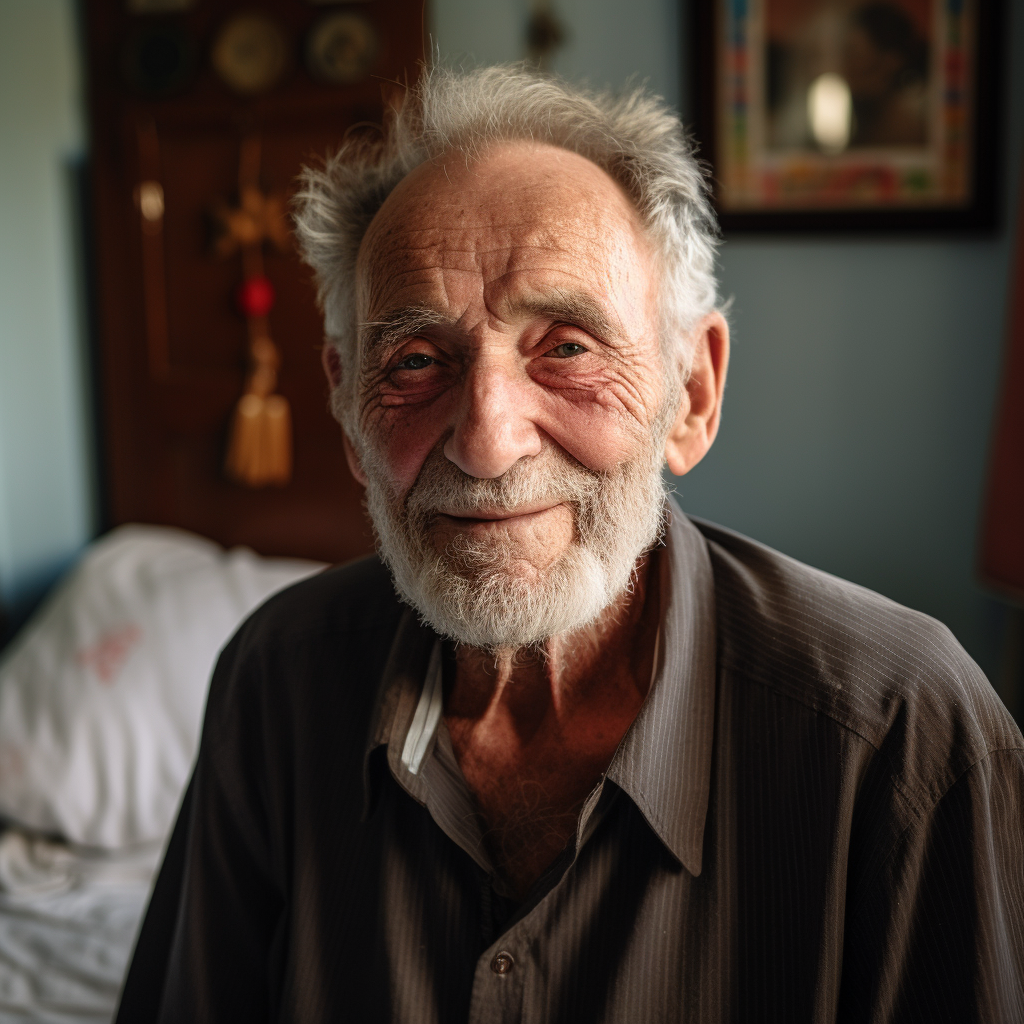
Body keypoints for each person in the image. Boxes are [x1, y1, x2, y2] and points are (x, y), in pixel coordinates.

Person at [116, 65, 1024, 1023]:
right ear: (348, 417)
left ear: (694, 395)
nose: (487, 437)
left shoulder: (903, 738)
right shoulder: (277, 684)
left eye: (568, 347)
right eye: (417, 360)